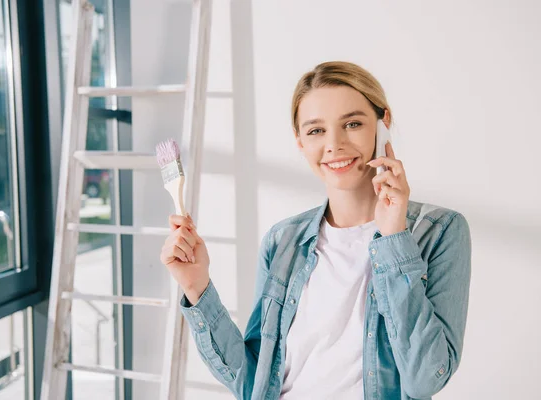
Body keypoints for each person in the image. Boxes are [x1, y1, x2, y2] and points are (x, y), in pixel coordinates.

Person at [160, 61, 472, 400]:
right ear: (299, 141)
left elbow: (425, 379)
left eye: (352, 123)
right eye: (315, 130)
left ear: (384, 125)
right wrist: (197, 287)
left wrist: (395, 236)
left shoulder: (439, 232)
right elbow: (254, 382)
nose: (334, 145)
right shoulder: (283, 241)